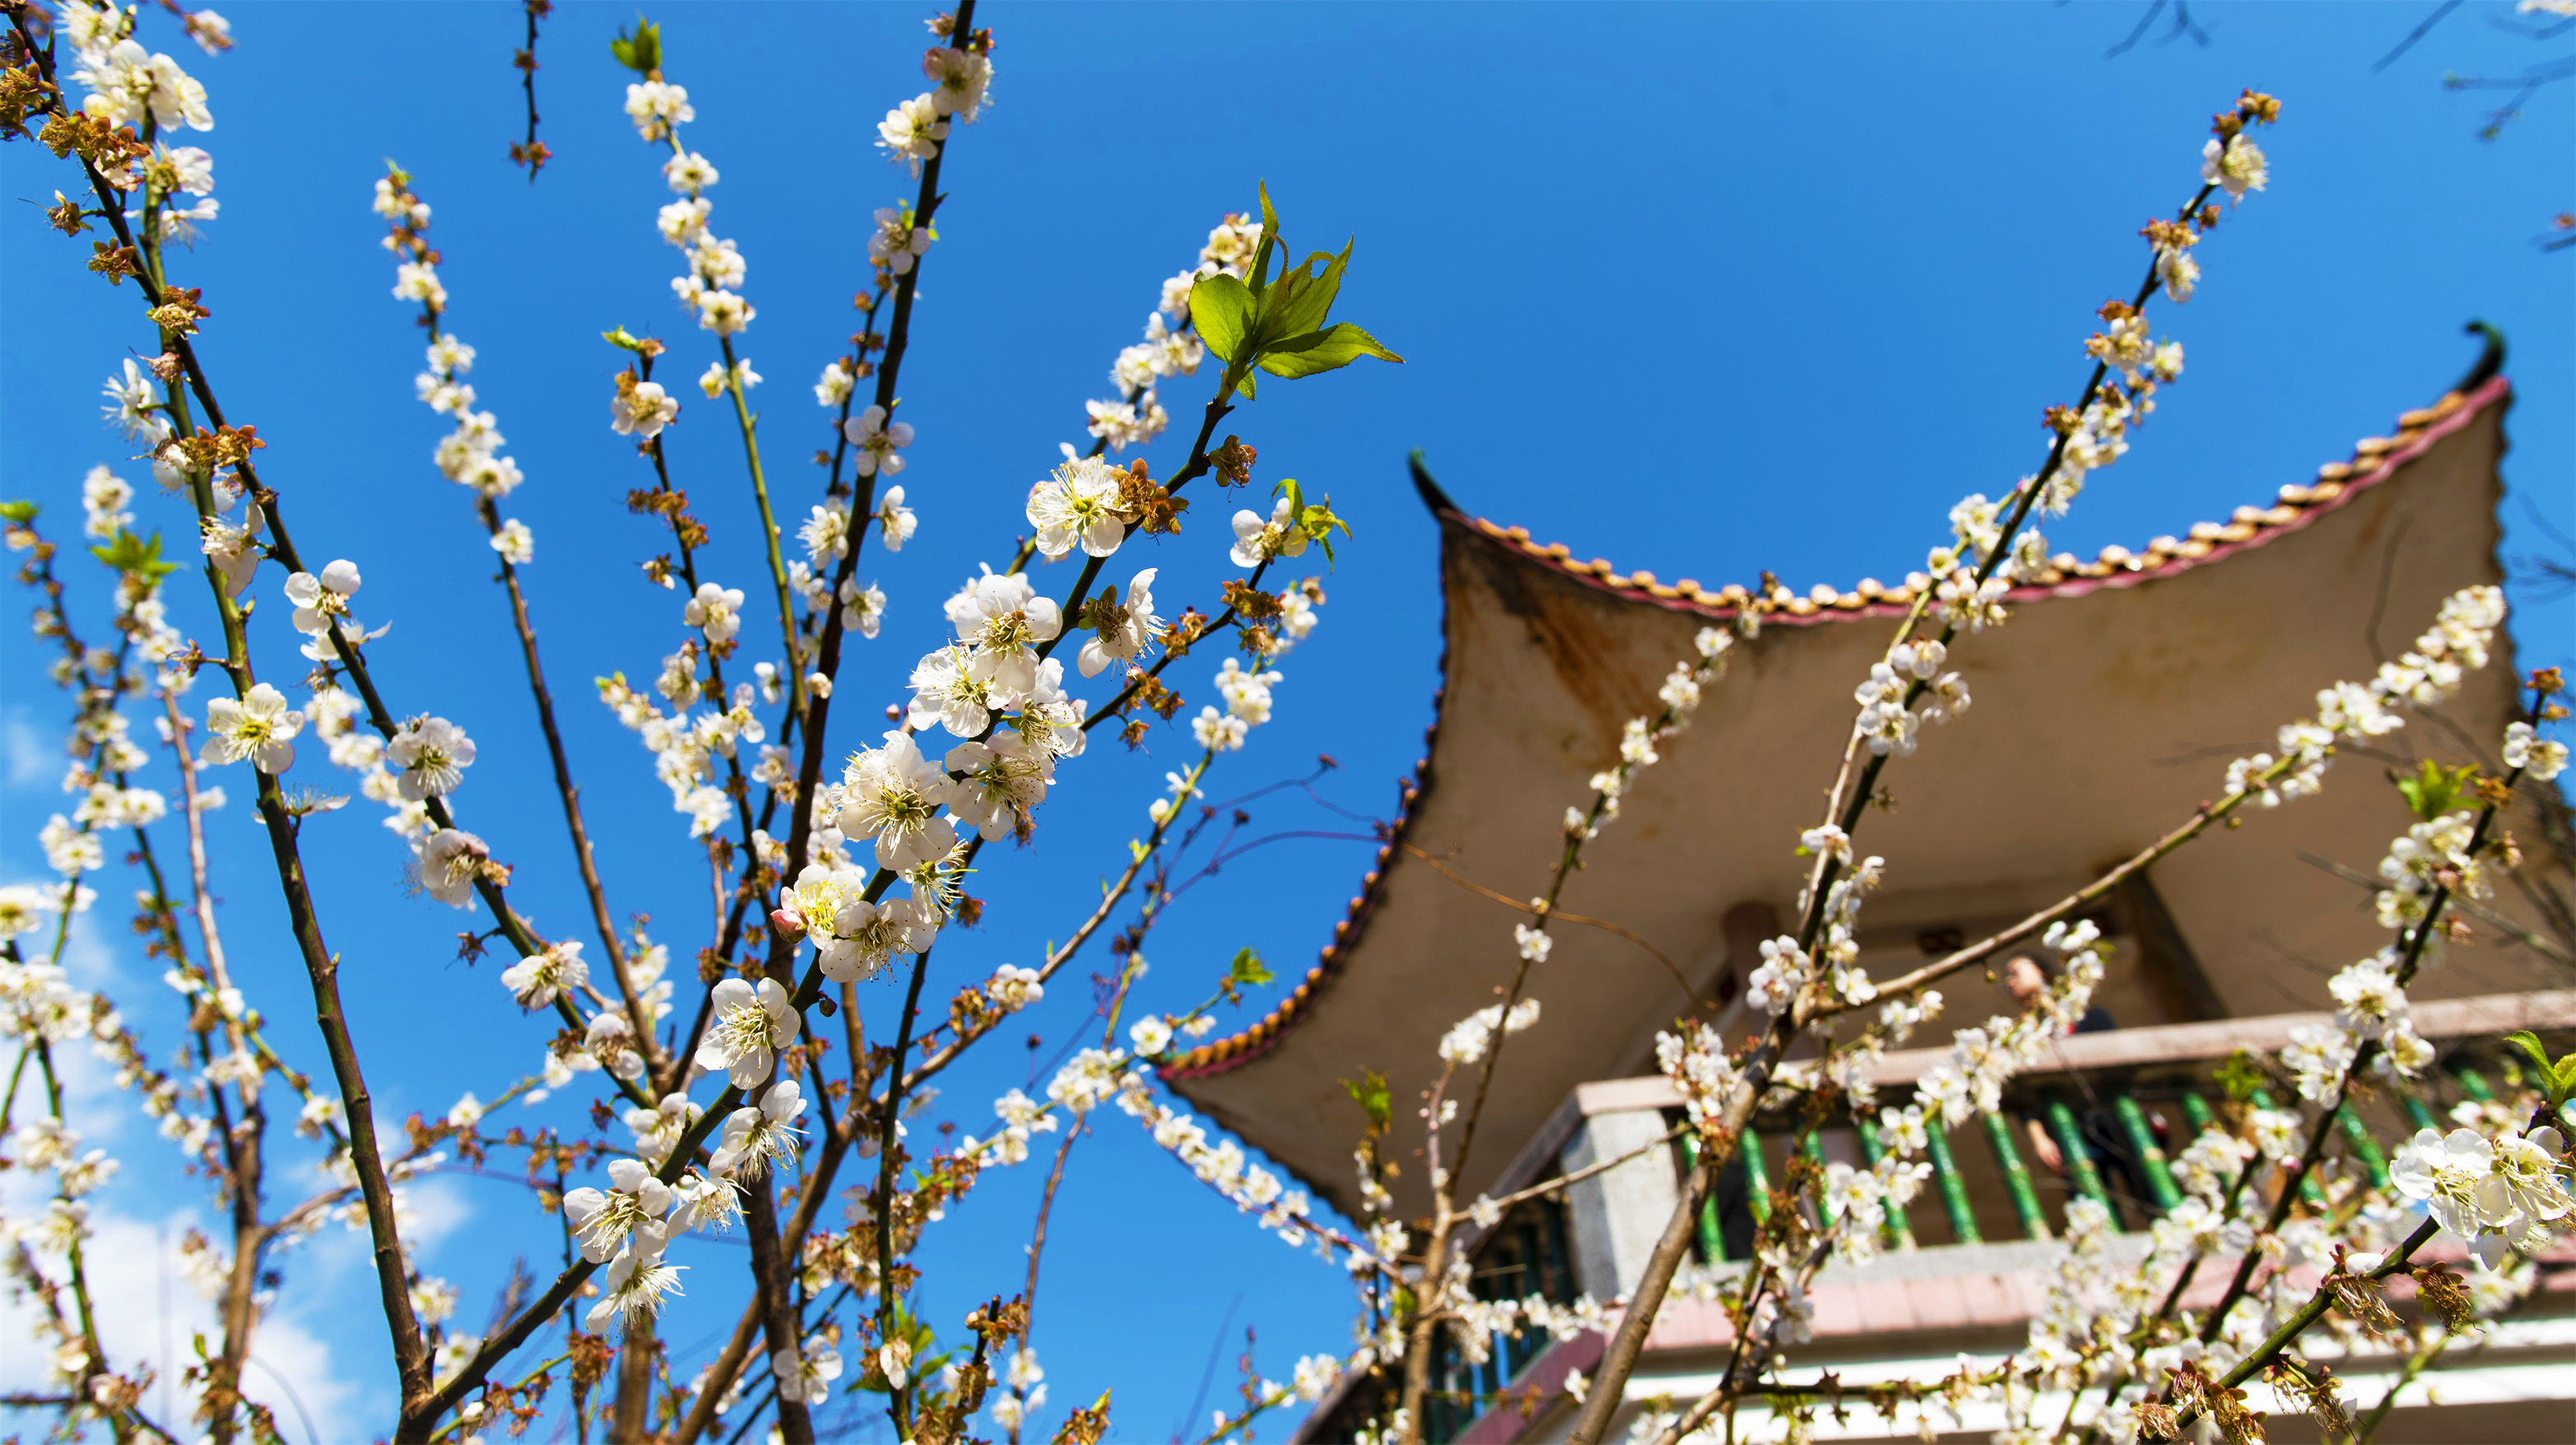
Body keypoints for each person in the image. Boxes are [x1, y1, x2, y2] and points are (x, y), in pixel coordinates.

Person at [2002, 953, 2149, 1224]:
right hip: (2067, 1127)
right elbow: (2025, 1096)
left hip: (2113, 1117)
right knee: (2093, 1208)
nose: (2009, 981)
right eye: (2006, 977)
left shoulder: (2092, 1017)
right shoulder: (2019, 1036)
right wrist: (2040, 1139)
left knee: (2147, 1187)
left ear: (2042, 973)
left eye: (2015, 972)